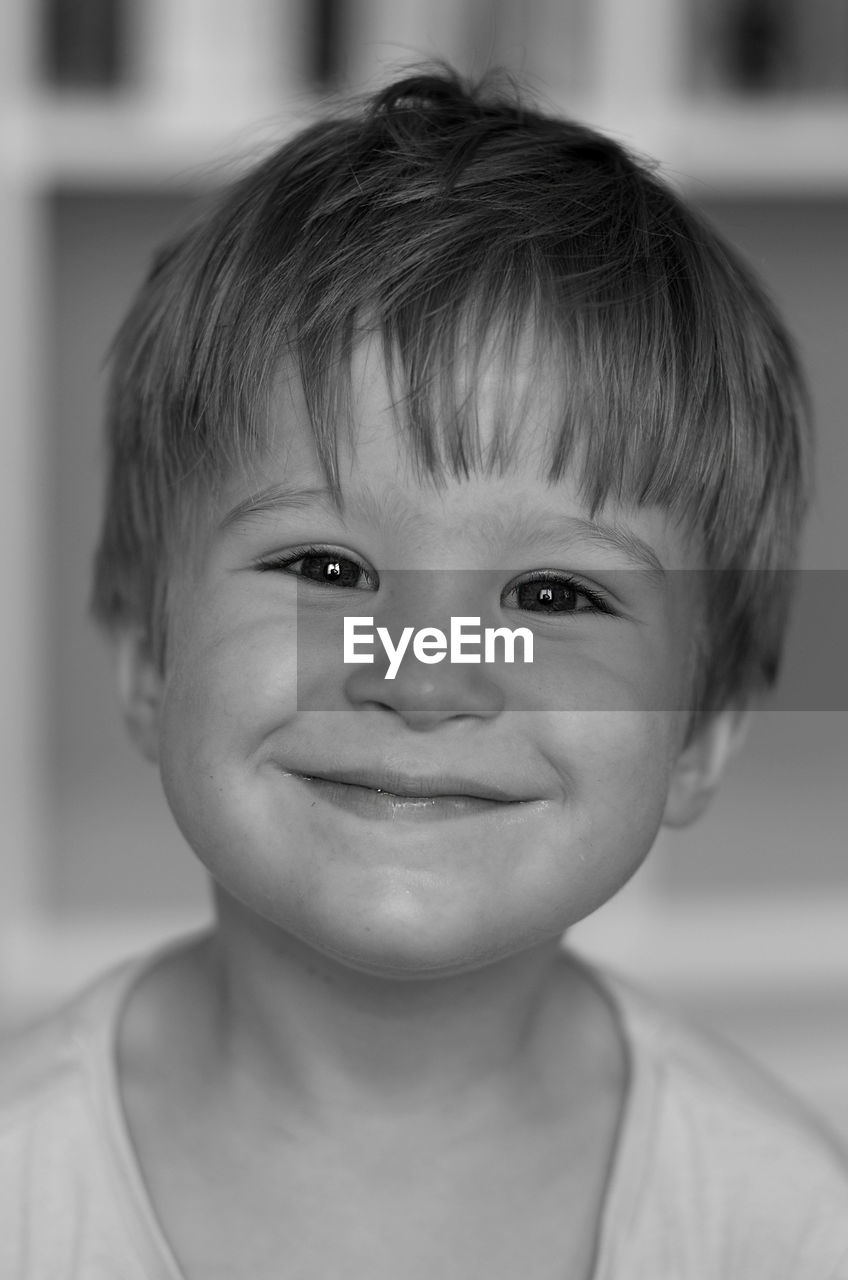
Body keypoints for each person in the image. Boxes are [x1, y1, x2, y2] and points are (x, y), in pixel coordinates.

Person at [1, 66, 846, 1280]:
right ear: (147, 651)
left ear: (703, 729)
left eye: (553, 596)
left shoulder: (780, 1225)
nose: (420, 674)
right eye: (324, 565)